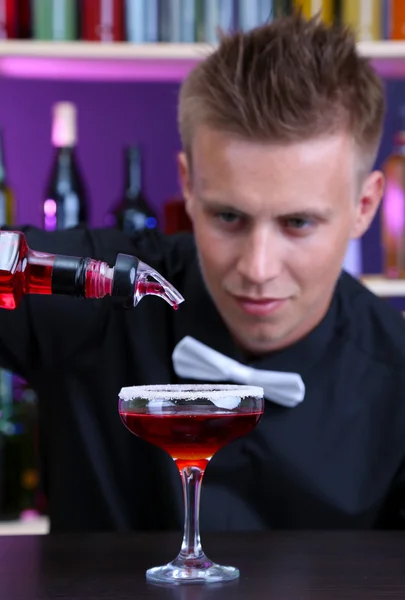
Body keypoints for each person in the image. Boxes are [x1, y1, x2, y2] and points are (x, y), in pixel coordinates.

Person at [2, 11, 405, 532]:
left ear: (365, 206)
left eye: (298, 222)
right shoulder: (97, 288)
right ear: (188, 186)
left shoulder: (397, 375)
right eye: (229, 217)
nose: (257, 269)